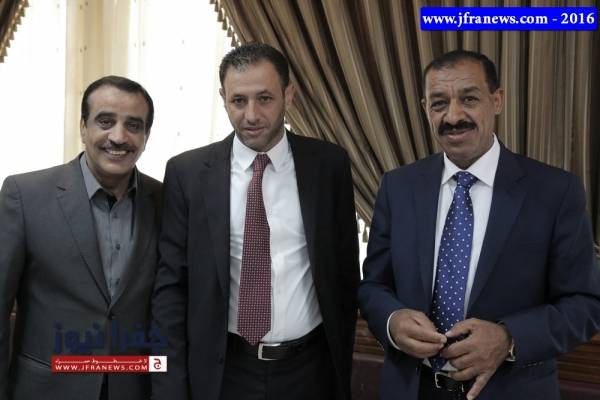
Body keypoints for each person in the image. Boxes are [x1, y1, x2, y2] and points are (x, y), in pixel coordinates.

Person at [358, 50, 600, 400]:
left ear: (497, 100)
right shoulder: (398, 187)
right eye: (439, 103)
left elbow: (585, 303)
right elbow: (373, 286)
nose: (453, 116)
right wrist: (392, 321)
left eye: (469, 99)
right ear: (425, 109)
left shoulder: (555, 191)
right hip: (412, 389)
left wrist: (509, 338)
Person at [151, 42, 359, 400]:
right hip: (225, 371)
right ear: (223, 98)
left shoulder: (329, 165)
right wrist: (170, 387)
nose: (251, 115)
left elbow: (345, 272)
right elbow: (171, 287)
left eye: (264, 99)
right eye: (238, 100)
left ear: (288, 95)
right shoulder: (188, 174)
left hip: (310, 370)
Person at [0, 76, 162, 400]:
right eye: (105, 121)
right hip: (45, 389)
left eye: (133, 125)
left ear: (146, 136)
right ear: (83, 128)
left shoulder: (166, 200)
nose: (118, 136)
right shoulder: (24, 195)